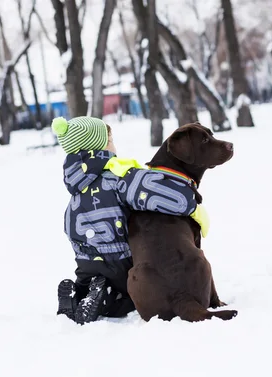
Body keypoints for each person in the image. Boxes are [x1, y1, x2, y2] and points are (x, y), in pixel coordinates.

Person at [52, 116, 209, 324]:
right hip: (119, 260)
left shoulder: (75, 192)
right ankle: (106, 298)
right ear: (101, 146)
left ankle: (78, 296)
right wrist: (189, 202)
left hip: (85, 263)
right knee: (128, 296)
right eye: (110, 140)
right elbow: (156, 193)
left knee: (88, 283)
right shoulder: (119, 177)